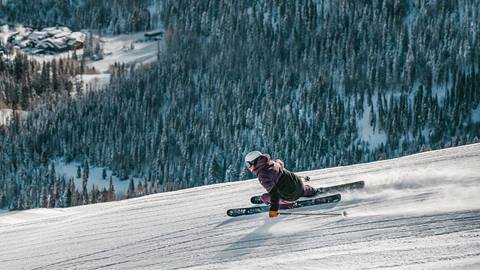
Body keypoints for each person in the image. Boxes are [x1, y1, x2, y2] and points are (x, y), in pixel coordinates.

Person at [245, 150, 317, 218]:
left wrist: (274, 210)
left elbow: (274, 193)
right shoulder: (272, 163)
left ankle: (286, 204)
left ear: (254, 162)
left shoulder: (263, 175)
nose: (248, 167)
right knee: (298, 188)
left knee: (265, 197)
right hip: (298, 183)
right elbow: (280, 163)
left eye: (248, 164)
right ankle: (311, 190)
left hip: (290, 195)